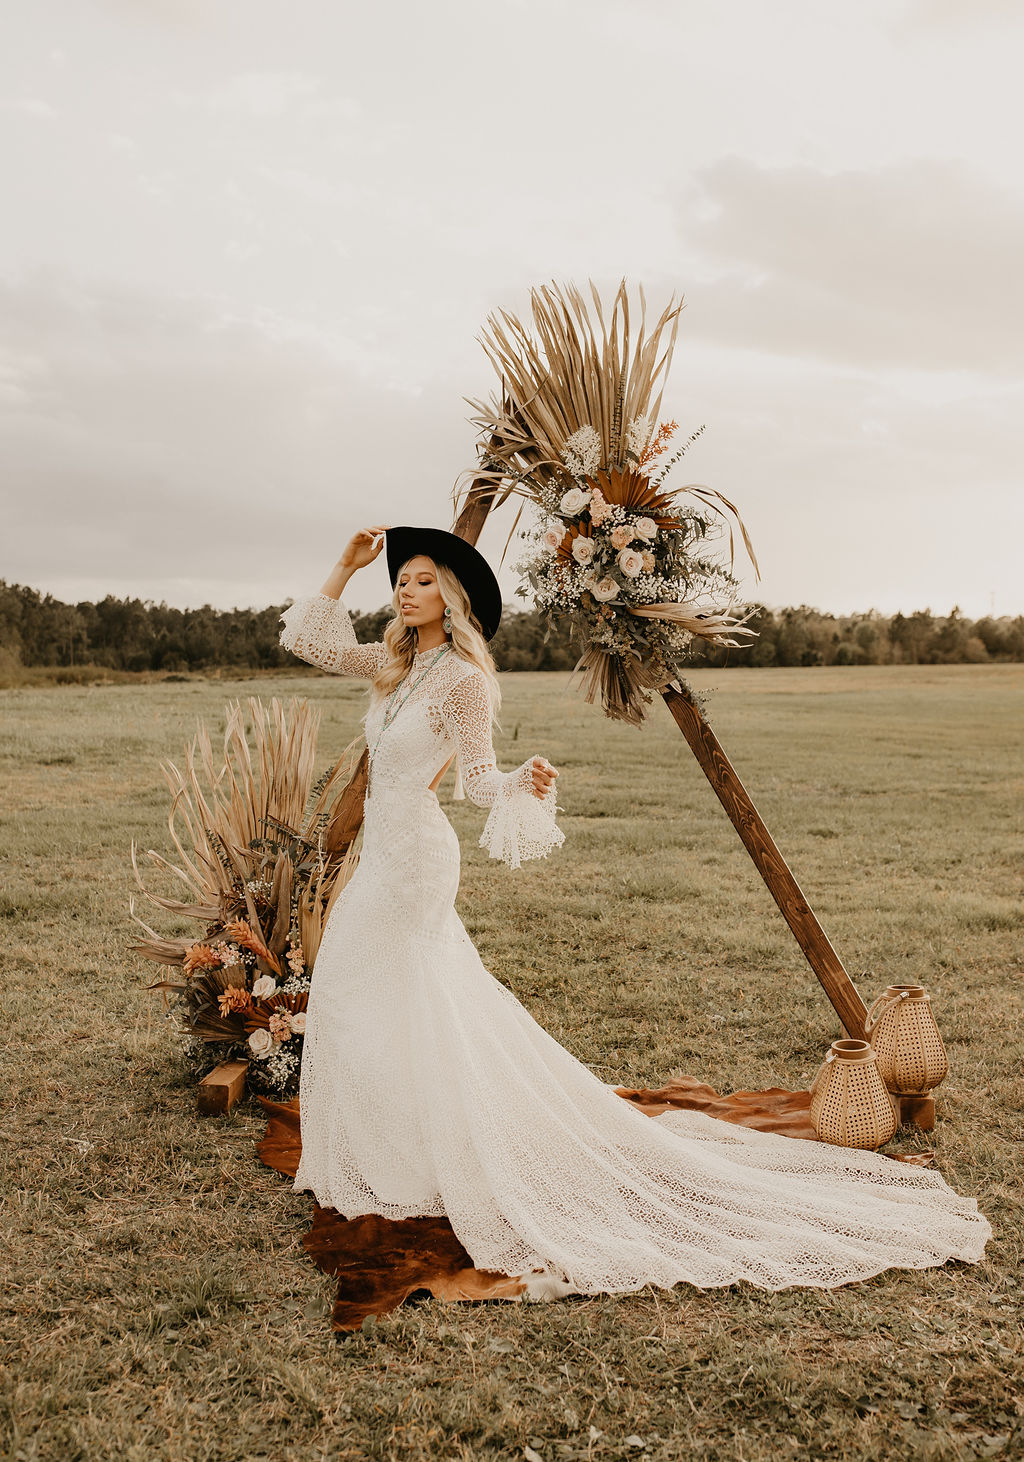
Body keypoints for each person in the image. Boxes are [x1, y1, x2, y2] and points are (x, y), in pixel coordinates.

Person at [279, 524, 990, 1302]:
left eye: (418, 580)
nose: (403, 590)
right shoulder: (393, 665)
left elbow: (477, 780)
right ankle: (395, 1150)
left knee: (398, 992)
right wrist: (345, 565)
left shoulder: (463, 683)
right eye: (400, 580)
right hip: (379, 854)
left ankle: (429, 1155)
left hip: (414, 859)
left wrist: (520, 781)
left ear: (450, 600)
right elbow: (311, 641)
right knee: (359, 996)